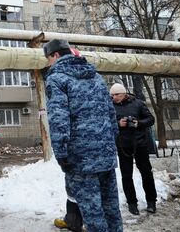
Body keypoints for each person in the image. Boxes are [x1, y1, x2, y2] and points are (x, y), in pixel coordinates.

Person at [43, 39, 122, 232]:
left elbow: (59, 120)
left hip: (81, 159)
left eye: (48, 59)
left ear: (56, 55)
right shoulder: (95, 76)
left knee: (93, 213)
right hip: (105, 154)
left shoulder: (57, 79)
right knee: (111, 207)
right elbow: (111, 114)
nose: (48, 64)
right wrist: (111, 143)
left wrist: (61, 154)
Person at [110, 83, 157, 215]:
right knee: (126, 175)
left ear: (124, 93)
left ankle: (151, 201)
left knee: (147, 173)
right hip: (122, 145)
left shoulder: (138, 103)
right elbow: (105, 122)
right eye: (112, 95)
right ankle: (132, 203)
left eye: (116, 94)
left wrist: (138, 123)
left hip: (140, 144)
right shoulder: (110, 106)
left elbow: (151, 119)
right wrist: (118, 123)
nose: (114, 97)